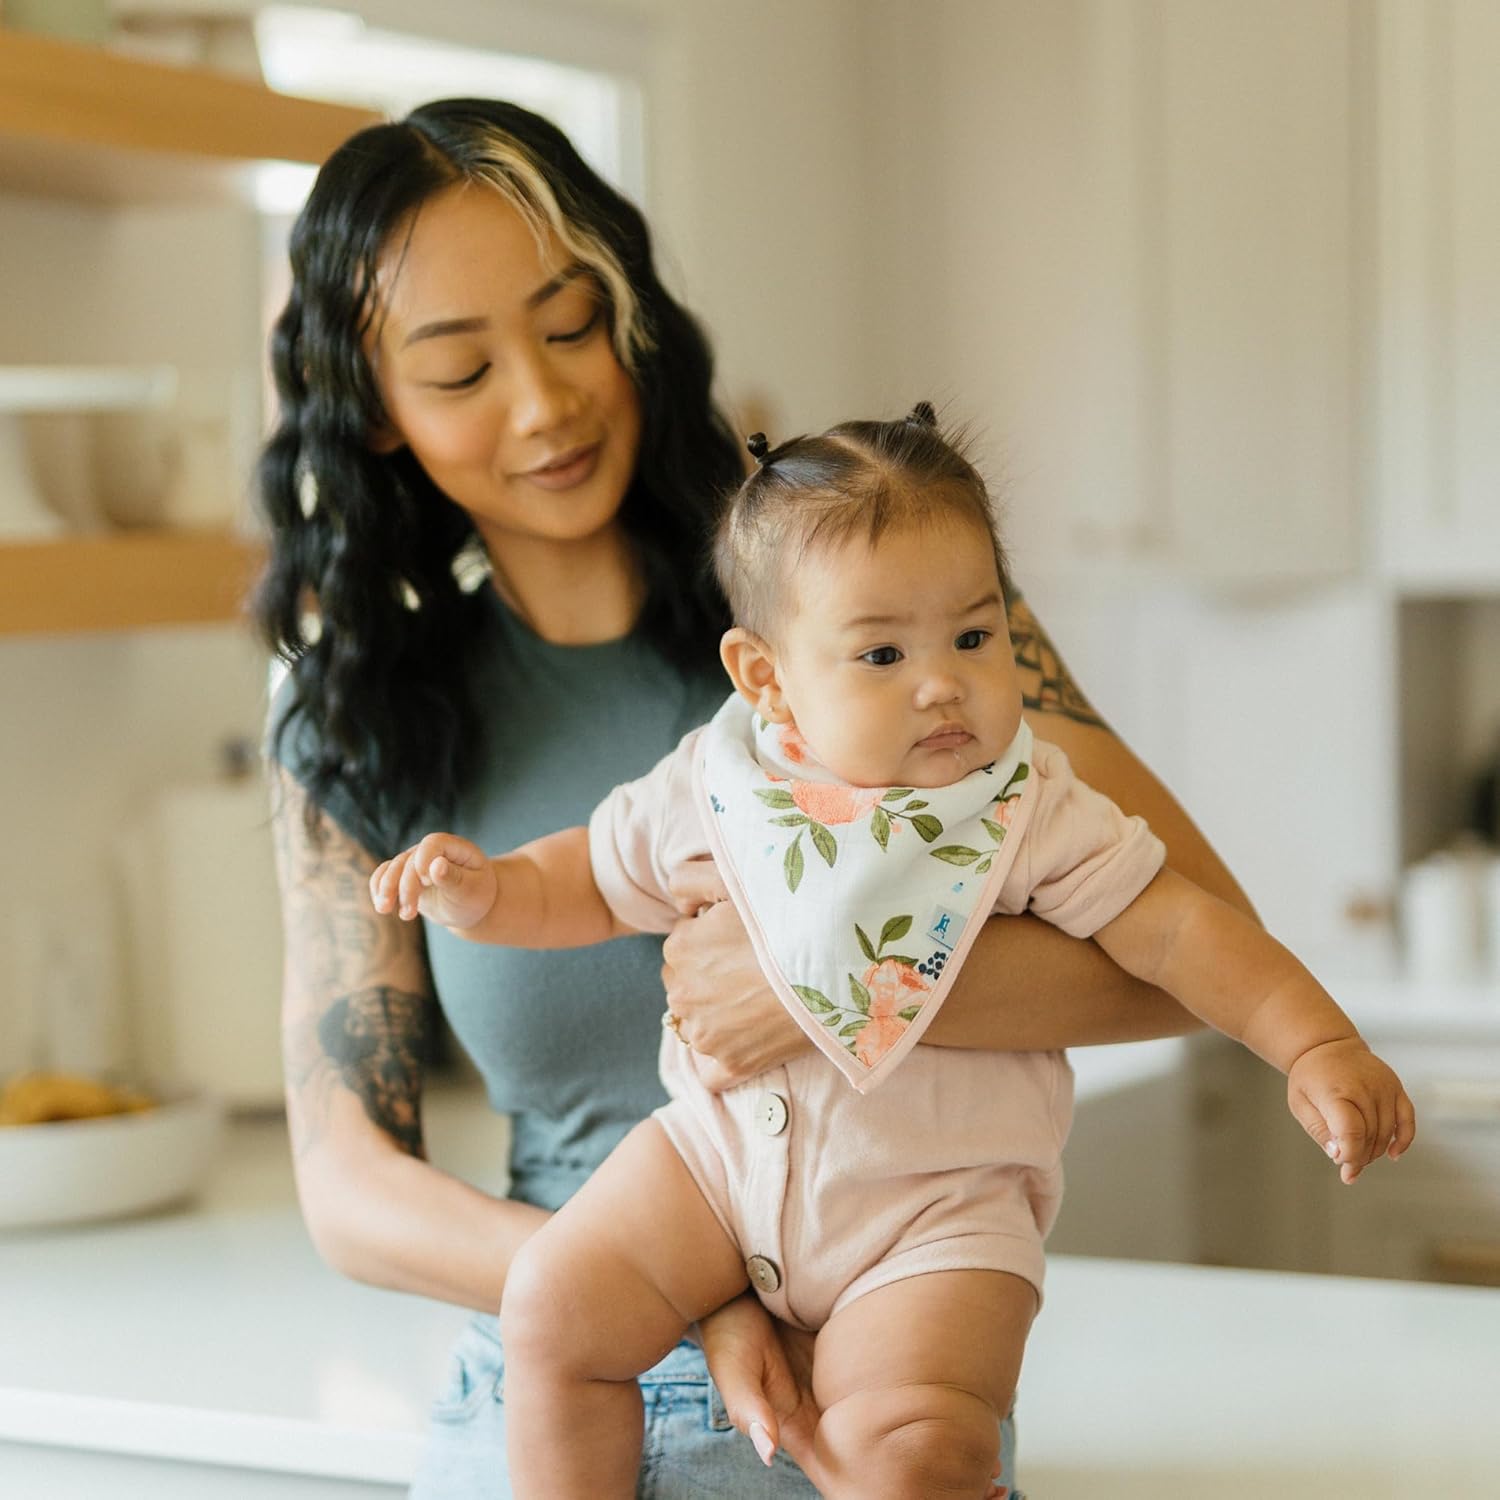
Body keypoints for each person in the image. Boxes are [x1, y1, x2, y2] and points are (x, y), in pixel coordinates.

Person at [256, 97, 1257, 1500]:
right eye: (462, 368)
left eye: (570, 326)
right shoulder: (352, 717)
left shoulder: (881, 612)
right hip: (551, 1384)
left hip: (861, 1403)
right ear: (372, 411)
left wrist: (817, 985)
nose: (542, 404)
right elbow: (348, 1186)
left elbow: (1199, 953)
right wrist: (683, 1284)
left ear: (633, 317)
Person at [371, 407, 1416, 1499]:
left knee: (917, 1449)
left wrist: (1316, 1044)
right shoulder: (718, 781)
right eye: (882, 653)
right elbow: (588, 877)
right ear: (765, 676)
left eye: (973, 637)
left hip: (936, 1218)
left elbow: (1182, 929)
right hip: (714, 1170)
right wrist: (486, 891)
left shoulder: (1025, 805)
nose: (942, 682)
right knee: (551, 1309)